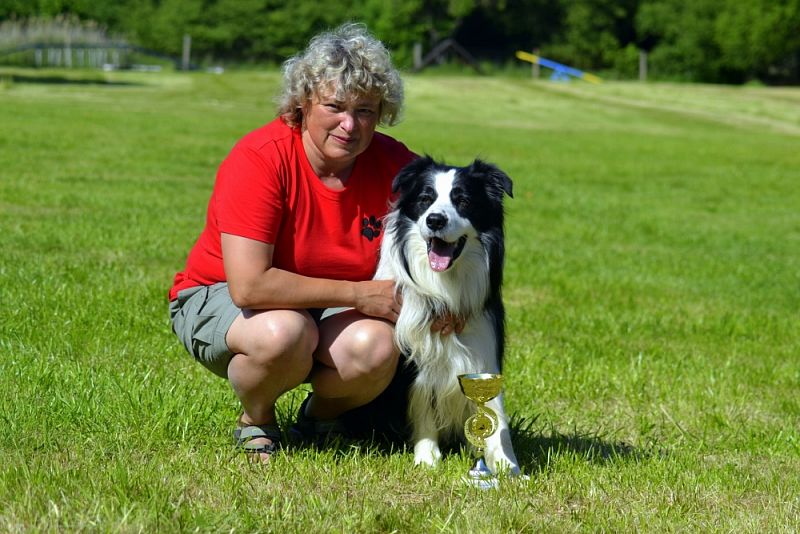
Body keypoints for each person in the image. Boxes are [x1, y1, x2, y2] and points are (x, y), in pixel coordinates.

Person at [168, 23, 420, 462]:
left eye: (365, 110)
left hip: (331, 309)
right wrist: (359, 294)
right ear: (303, 103)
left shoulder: (398, 164)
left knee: (377, 348)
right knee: (285, 333)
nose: (349, 124)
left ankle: (319, 418)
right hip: (223, 298)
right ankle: (257, 420)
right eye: (334, 106)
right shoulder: (260, 158)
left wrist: (451, 308)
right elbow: (250, 287)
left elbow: (449, 227)